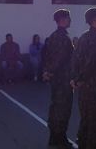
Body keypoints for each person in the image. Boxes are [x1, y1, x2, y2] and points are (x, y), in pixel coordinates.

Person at [71, 7, 96, 149]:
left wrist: (75, 79)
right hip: (95, 89)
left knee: (86, 121)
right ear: (95, 20)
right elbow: (90, 63)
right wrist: (79, 78)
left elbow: (75, 60)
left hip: (84, 90)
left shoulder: (83, 37)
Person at [42, 9, 75, 148]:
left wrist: (47, 71)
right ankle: (59, 139)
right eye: (68, 17)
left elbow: (46, 55)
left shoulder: (53, 36)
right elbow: (60, 59)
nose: (70, 20)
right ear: (62, 19)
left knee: (56, 107)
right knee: (63, 109)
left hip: (57, 79)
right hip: (63, 79)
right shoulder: (63, 37)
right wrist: (49, 71)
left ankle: (54, 138)